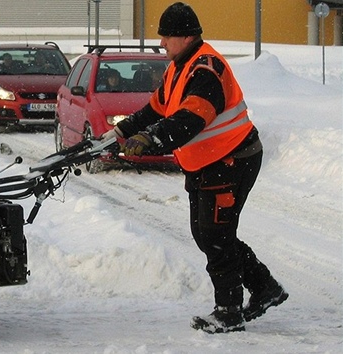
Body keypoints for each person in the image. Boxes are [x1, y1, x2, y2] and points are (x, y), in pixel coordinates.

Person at [102, 2, 288, 334]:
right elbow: (156, 108)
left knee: (216, 234)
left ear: (186, 36)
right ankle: (265, 288)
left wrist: (152, 139)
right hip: (207, 162)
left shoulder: (206, 69)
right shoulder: (179, 67)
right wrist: (122, 131)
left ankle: (229, 311)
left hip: (232, 159)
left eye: (166, 37)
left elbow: (190, 119)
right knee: (207, 234)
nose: (162, 43)